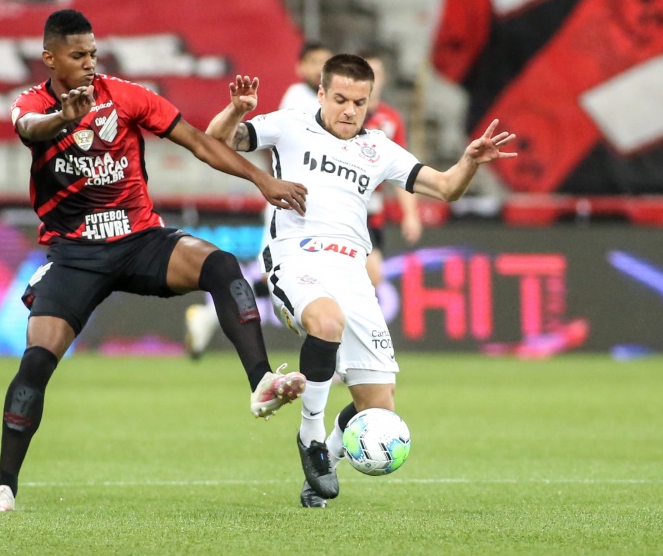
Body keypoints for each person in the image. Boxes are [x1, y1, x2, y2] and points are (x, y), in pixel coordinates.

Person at [0, 9, 310, 513]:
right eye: (77, 55)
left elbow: (199, 142)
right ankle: (4, 486)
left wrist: (262, 180)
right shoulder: (31, 105)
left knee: (220, 266)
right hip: (75, 254)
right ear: (50, 58)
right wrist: (66, 117)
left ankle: (261, 381)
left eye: (93, 53)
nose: (90, 63)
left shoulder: (126, 96)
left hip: (139, 239)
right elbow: (33, 128)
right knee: (37, 360)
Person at [206, 56, 516, 508]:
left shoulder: (380, 148)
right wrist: (237, 110)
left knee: (378, 410)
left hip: (353, 271)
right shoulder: (289, 125)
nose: (349, 110)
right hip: (297, 256)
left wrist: (468, 160)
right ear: (320, 94)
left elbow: (446, 188)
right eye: (340, 100)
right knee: (326, 322)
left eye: (359, 102)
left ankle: (324, 465)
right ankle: (311, 438)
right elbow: (215, 141)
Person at [183, 41, 333, 357]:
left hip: (320, 207)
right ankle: (210, 316)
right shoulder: (299, 98)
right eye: (314, 62)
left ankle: (208, 318)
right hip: (291, 204)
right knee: (276, 277)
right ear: (300, 67)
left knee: (307, 277)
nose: (320, 70)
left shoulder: (330, 103)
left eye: (326, 63)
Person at [358, 48, 422, 287]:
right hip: (342, 204)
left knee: (370, 278)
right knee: (370, 273)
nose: (373, 79)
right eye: (367, 72)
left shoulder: (390, 120)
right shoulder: (341, 113)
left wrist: (411, 215)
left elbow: (402, 172)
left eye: (377, 73)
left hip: (372, 211)